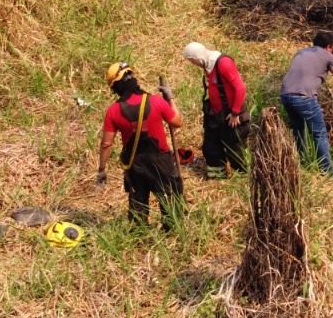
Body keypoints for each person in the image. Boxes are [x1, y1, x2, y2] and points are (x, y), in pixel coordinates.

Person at [96, 62, 184, 229]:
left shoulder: (113, 111)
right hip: (160, 161)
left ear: (115, 87)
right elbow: (177, 122)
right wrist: (170, 98)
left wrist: (102, 169)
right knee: (168, 198)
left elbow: (106, 144)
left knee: (138, 202)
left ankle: (140, 233)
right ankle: (172, 230)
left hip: (134, 164)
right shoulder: (156, 101)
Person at [279, 31, 333, 174]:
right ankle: (327, 171)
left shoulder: (301, 52)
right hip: (303, 97)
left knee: (299, 130)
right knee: (319, 133)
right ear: (329, 47)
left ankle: (304, 162)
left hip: (285, 95)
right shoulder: (327, 54)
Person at [184, 42, 249, 179]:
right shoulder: (208, 65)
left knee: (235, 148)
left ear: (197, 58)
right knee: (211, 147)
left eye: (192, 61)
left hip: (231, 115)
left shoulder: (223, 63)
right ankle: (218, 177)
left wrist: (235, 113)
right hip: (216, 115)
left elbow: (241, 88)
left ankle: (242, 177)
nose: (194, 64)